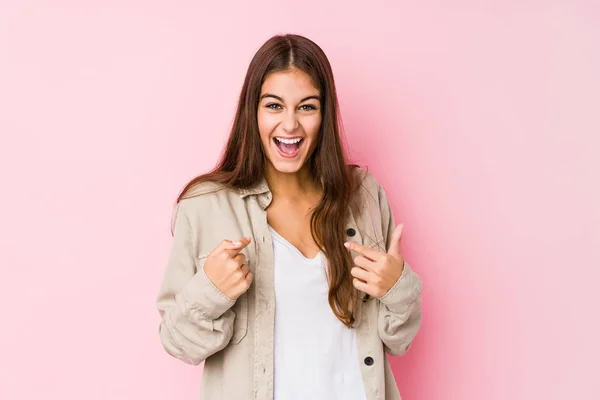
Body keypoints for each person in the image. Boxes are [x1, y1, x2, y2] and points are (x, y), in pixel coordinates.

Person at [155, 33, 423, 400]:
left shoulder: (363, 195)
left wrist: (397, 288)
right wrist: (211, 291)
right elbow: (179, 342)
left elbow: (399, 340)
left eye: (307, 107)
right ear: (253, 111)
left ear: (324, 114)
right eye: (274, 106)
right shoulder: (205, 206)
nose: (290, 125)